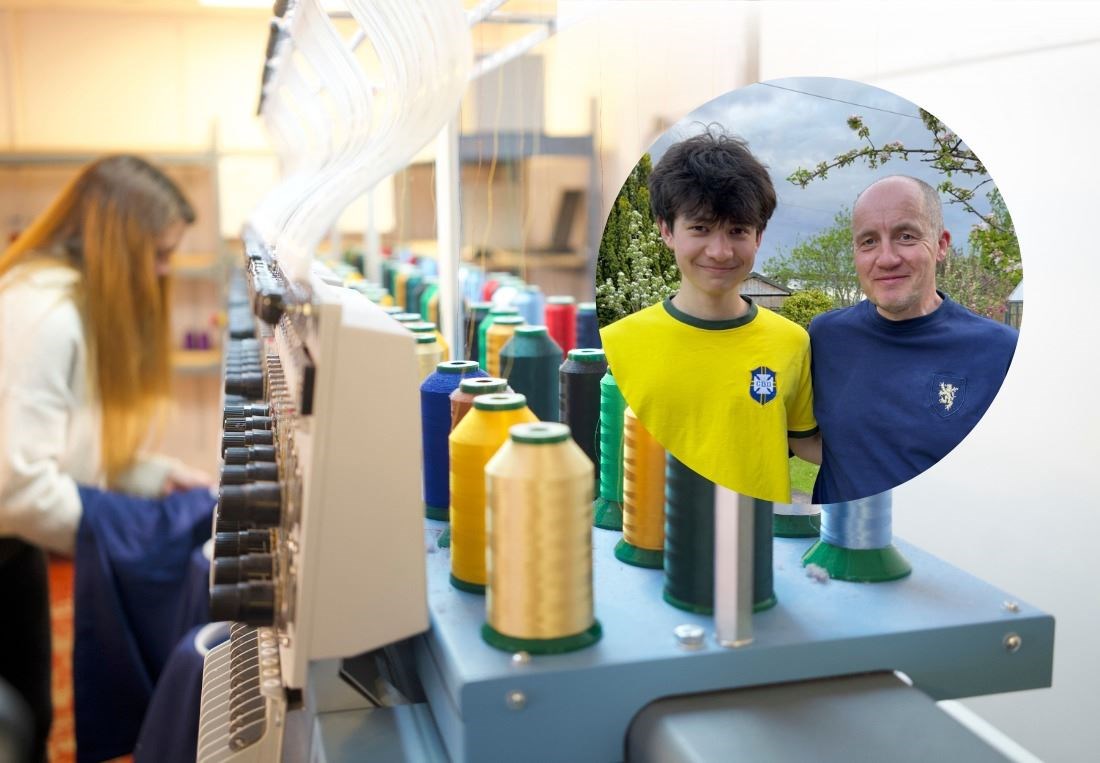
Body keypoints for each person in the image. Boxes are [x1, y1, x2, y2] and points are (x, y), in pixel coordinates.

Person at [0, 154, 213, 761]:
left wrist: (159, 480)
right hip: (6, 534)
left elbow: (64, 447)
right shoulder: (43, 314)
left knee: (32, 714)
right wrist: (142, 535)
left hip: (15, 549)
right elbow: (18, 487)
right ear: (118, 245)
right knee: (12, 725)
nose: (164, 271)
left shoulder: (69, 304)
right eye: (159, 253)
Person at [601, 130, 820, 503]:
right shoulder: (617, 343)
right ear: (666, 230)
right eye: (700, 228)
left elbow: (806, 444)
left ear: (759, 237)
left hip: (758, 547)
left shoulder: (792, 341)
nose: (719, 252)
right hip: (654, 545)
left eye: (737, 231)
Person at [809, 175, 1018, 503]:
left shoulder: (1001, 352)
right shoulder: (825, 337)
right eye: (868, 241)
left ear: (941, 245)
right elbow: (815, 441)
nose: (887, 258)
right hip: (840, 549)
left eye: (905, 236)